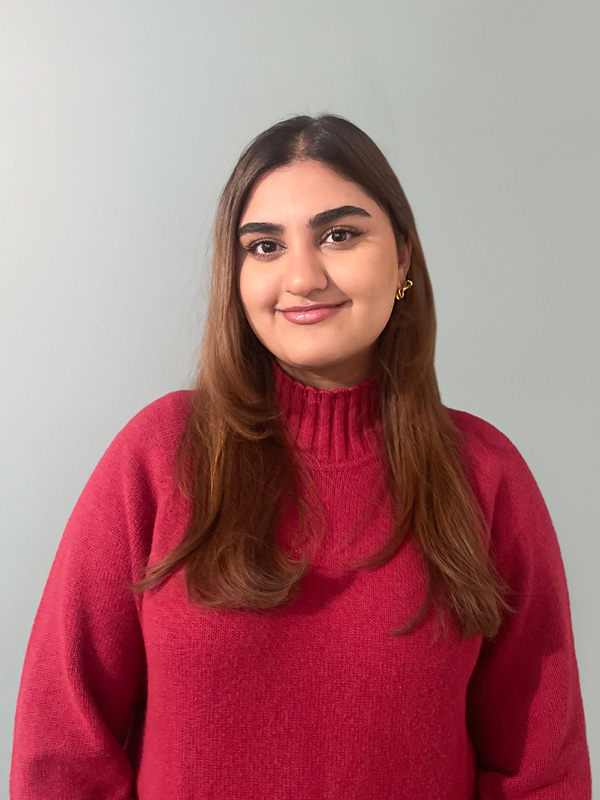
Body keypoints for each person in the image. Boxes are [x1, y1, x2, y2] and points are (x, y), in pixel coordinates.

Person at [10, 113, 592, 799]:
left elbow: (542, 773)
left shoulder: (486, 475)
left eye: (339, 235)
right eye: (265, 247)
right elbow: (61, 752)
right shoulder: (160, 456)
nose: (303, 277)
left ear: (403, 257)